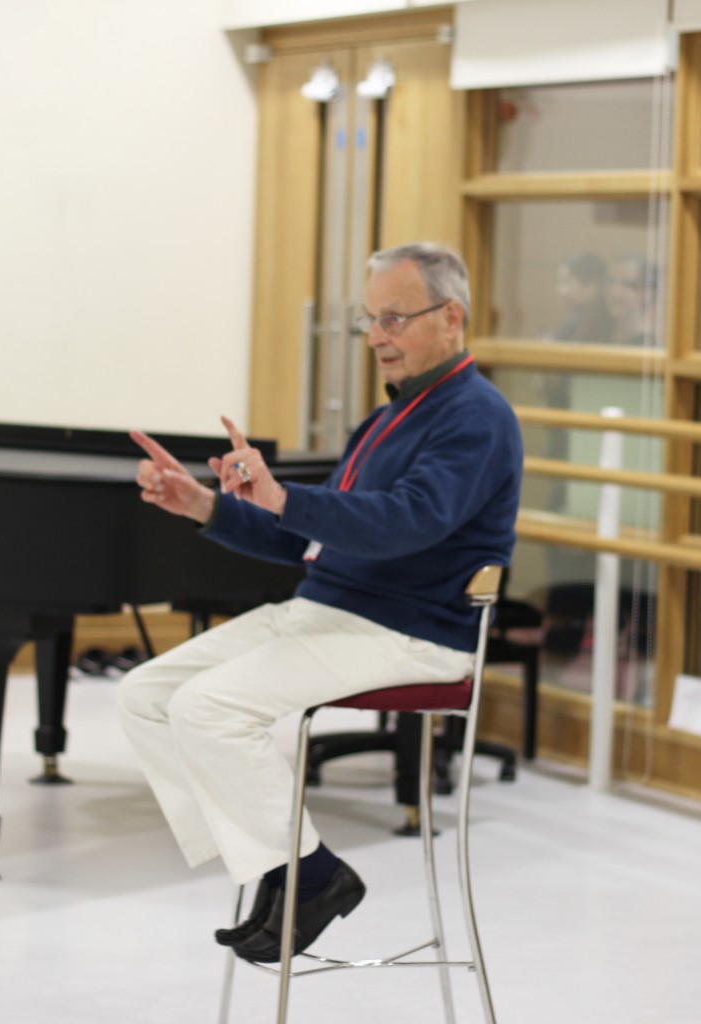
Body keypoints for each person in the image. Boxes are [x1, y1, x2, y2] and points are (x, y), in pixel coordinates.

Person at [118, 242, 524, 964]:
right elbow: (311, 544)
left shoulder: (477, 417)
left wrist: (282, 496)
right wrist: (204, 506)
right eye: (368, 319)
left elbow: (405, 524)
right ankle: (283, 868)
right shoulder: (386, 419)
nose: (376, 338)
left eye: (393, 319)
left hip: (410, 629)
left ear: (451, 316)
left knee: (205, 709)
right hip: (332, 611)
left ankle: (307, 876)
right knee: (146, 694)